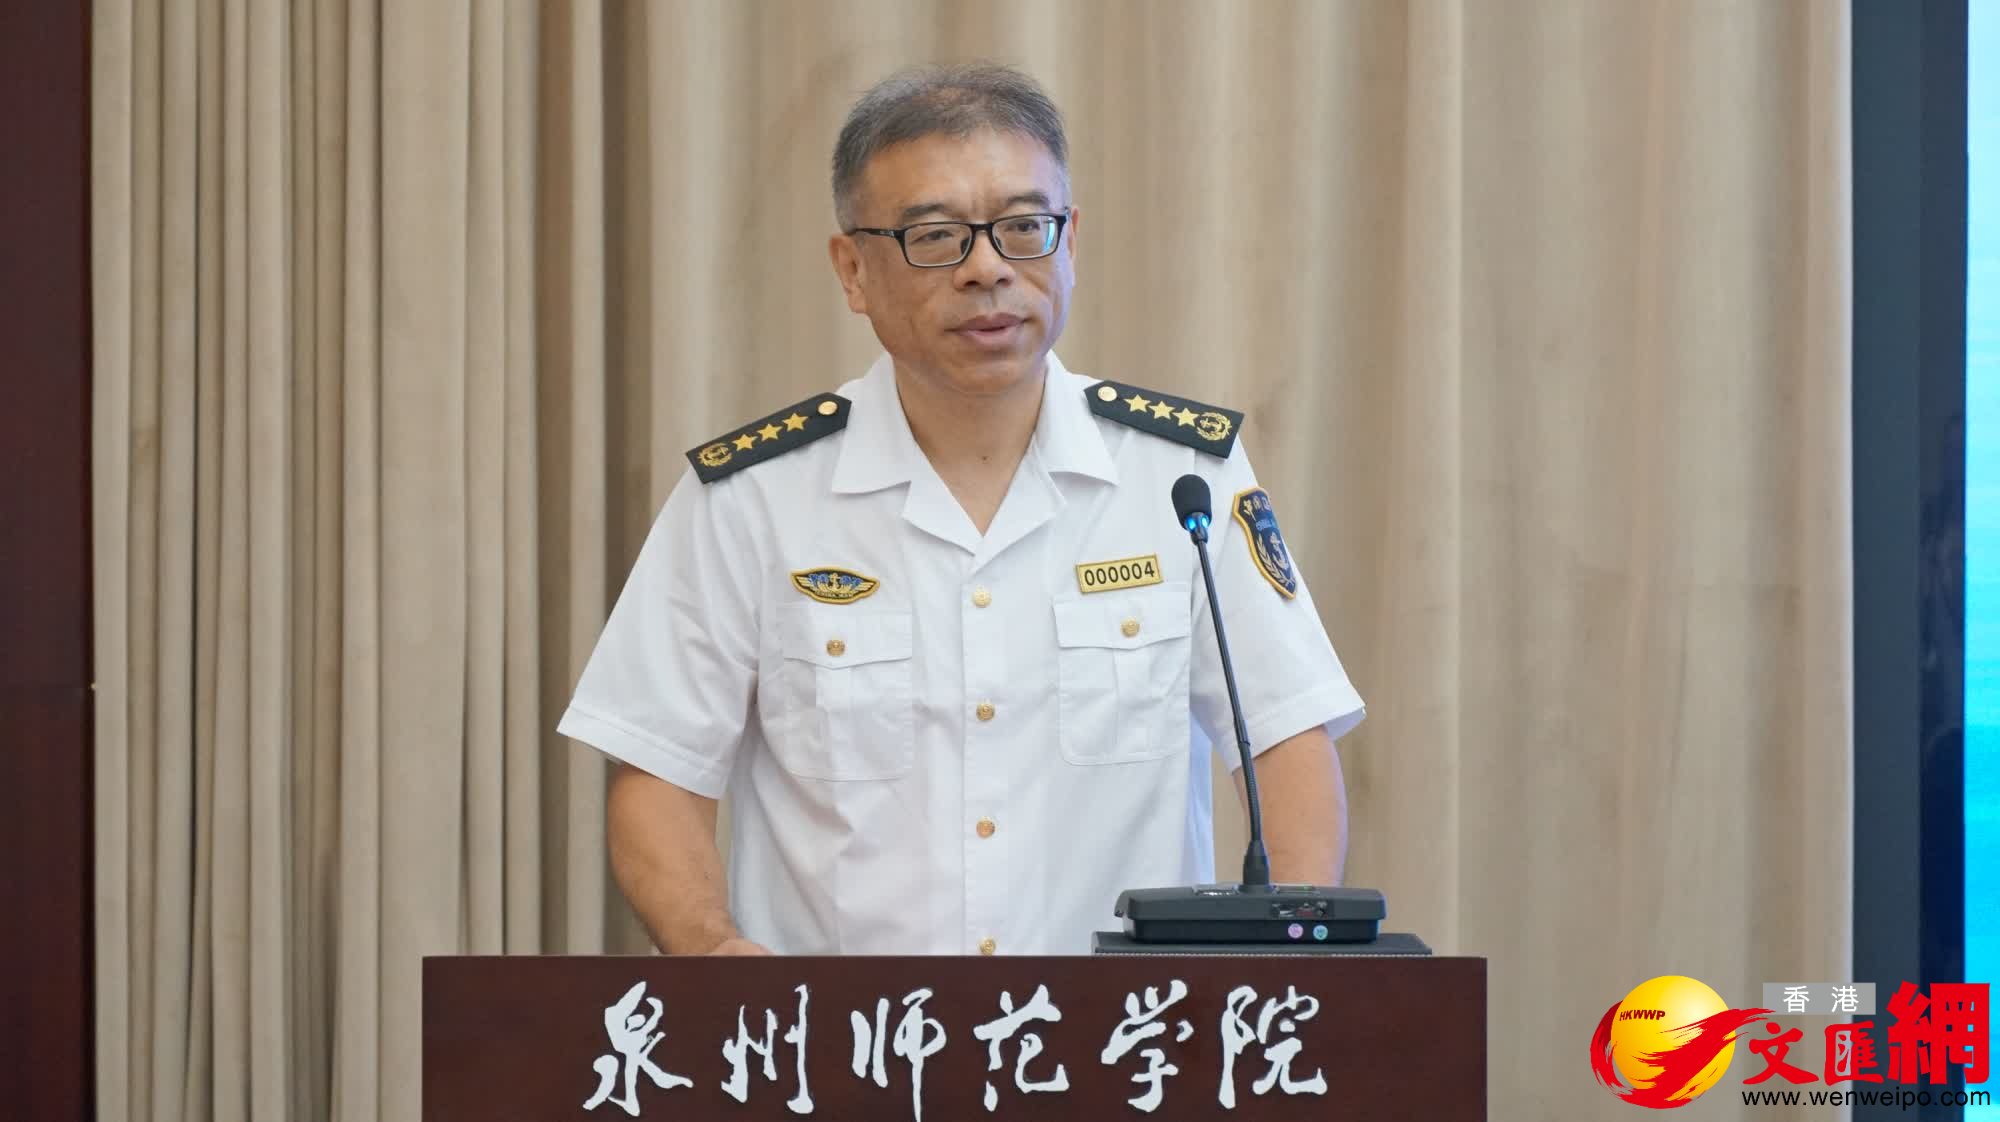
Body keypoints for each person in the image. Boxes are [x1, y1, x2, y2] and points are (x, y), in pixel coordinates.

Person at [556, 63, 1364, 957]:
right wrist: (712, 950)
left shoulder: (1184, 480)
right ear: (853, 270)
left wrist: (1286, 969)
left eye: (1023, 228)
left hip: (1127, 1031)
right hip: (847, 1034)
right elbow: (658, 772)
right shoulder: (752, 499)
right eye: (935, 237)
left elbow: (1286, 739)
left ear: (1069, 242)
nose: (988, 269)